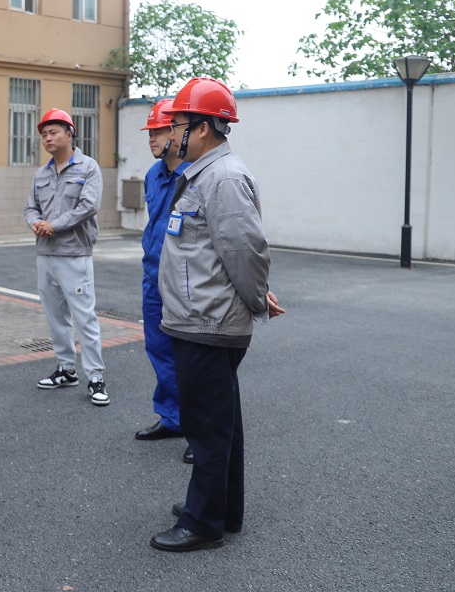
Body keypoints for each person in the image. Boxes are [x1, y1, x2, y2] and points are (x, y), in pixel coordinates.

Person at [149, 77, 285, 553]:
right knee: (221, 420)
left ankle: (203, 522)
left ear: (203, 129)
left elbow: (246, 250)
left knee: (206, 424)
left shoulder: (222, 177)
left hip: (207, 321)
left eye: (178, 124)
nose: (171, 133)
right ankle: (222, 509)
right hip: (200, 316)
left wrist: (257, 297)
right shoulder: (205, 173)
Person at [24, 109, 109, 406]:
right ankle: (66, 369)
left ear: (69, 134)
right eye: (44, 134)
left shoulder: (88, 168)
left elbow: (89, 206)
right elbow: (30, 207)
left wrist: (54, 225)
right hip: (46, 254)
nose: (47, 138)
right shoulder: (41, 174)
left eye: (53, 132)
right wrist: (35, 222)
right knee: (55, 316)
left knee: (84, 317)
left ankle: (95, 377)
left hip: (75, 254)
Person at [135, 99, 193, 462]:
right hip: (153, 276)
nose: (152, 139)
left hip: (185, 280)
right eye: (150, 133)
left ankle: (200, 429)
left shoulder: (196, 176)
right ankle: (173, 419)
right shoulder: (152, 175)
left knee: (191, 357)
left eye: (158, 131)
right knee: (158, 349)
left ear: (176, 132)